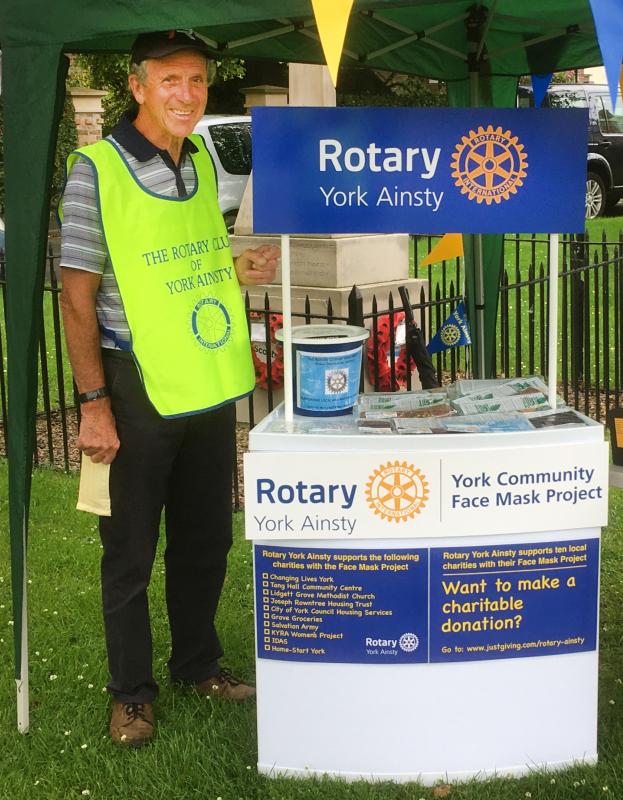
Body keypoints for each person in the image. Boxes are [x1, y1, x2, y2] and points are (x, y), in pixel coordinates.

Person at [59, 29, 279, 748]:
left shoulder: (199, 161)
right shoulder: (96, 167)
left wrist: (236, 273)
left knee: (204, 538)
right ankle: (130, 694)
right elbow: (75, 294)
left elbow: (190, 258)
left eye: (197, 81)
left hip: (204, 384)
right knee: (127, 549)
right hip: (133, 386)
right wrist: (94, 404)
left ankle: (197, 664)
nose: (187, 95)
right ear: (137, 87)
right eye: (171, 81)